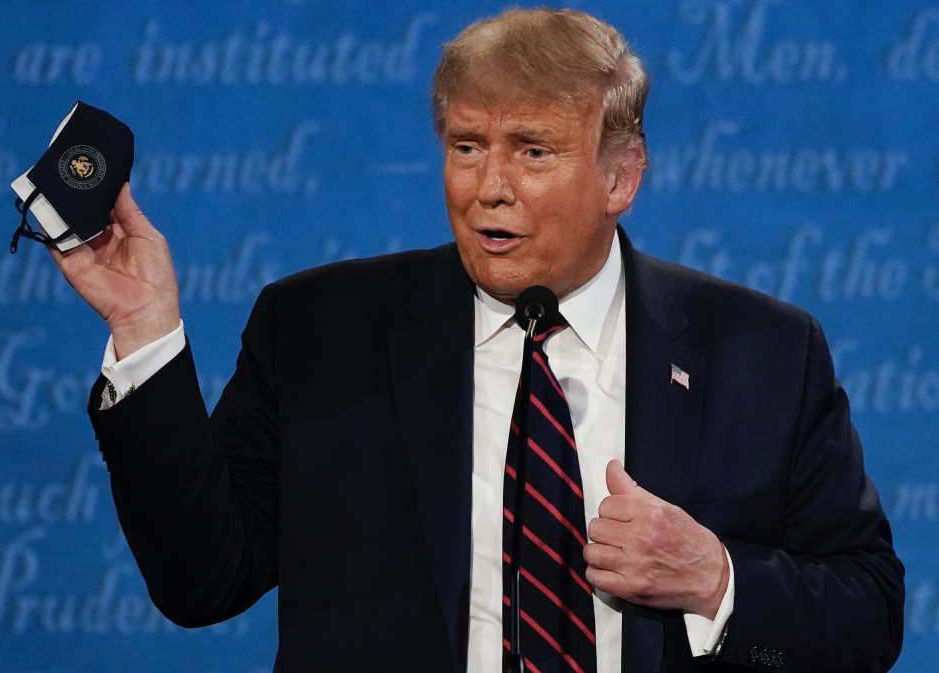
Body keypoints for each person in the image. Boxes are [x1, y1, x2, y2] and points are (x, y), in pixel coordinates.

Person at [47, 8, 903, 673]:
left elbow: (868, 614)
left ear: (620, 176)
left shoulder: (762, 352)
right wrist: (143, 331)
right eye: (467, 145)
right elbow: (203, 580)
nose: (489, 187)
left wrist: (716, 578)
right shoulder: (318, 330)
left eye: (533, 150)